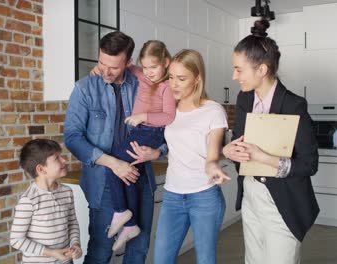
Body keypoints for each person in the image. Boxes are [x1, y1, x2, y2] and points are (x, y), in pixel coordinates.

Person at [222, 19, 319, 264]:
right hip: (251, 194)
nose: (234, 76)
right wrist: (229, 150)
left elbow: (309, 165)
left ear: (262, 70)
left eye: (239, 69)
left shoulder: (294, 105)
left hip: (283, 199)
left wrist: (263, 157)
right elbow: (238, 142)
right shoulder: (244, 99)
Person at [64, 31, 164, 263]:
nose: (105, 72)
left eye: (114, 67)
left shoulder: (145, 85)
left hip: (140, 180)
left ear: (128, 63)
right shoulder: (84, 89)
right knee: (100, 253)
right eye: (101, 63)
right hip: (103, 185)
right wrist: (113, 163)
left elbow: (166, 125)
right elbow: (72, 137)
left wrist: (159, 151)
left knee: (138, 250)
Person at [127, 49, 231, 264]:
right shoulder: (169, 108)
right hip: (173, 195)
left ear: (197, 78)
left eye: (181, 78)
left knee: (205, 259)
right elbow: (172, 142)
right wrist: (157, 152)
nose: (173, 84)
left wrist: (213, 166)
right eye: (171, 77)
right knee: (162, 259)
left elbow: (212, 154)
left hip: (204, 195)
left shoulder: (213, 111)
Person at [91, 40, 176, 251]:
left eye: (153, 67)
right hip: (140, 132)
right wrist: (98, 68)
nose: (148, 72)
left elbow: (169, 116)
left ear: (166, 62)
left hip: (151, 132)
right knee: (124, 172)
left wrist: (142, 116)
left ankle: (122, 212)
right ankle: (129, 224)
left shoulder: (166, 86)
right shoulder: (141, 74)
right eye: (145, 67)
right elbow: (123, 64)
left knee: (114, 163)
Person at [10, 139, 82, 264]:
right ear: (41, 169)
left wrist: (76, 244)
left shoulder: (66, 192)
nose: (64, 160)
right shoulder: (29, 200)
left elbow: (72, 223)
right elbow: (16, 240)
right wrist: (51, 252)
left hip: (65, 261)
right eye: (57, 158)